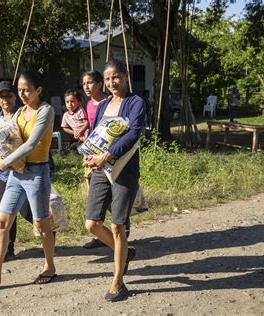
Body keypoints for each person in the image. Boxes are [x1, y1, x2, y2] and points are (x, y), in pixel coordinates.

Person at [0, 70, 56, 287]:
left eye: (27, 90)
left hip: (36, 173)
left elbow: (31, 143)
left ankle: (50, 266)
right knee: (2, 222)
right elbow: (2, 139)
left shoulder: (46, 111)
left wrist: (5, 162)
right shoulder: (18, 114)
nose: (23, 94)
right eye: (20, 90)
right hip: (16, 174)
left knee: (41, 225)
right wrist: (0, 157)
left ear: (39, 90)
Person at [83, 59, 145, 302]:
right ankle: (126, 252)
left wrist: (107, 155)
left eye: (116, 77)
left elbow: (133, 132)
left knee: (118, 226)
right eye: (108, 79)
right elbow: (97, 132)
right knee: (92, 224)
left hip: (124, 169)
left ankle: (118, 282)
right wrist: (89, 153)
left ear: (126, 76)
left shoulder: (135, 102)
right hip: (100, 169)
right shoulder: (104, 104)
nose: (112, 83)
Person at [0, 81, 33, 262]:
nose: (6, 100)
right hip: (3, 174)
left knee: (28, 211)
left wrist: (47, 166)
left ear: (16, 97)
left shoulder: (23, 116)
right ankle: (8, 249)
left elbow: (35, 142)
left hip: (25, 172)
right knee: (6, 213)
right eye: (2, 97)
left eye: (9, 96)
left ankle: (48, 233)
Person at [81, 70, 109, 249]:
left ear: (100, 84)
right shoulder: (89, 104)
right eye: (84, 84)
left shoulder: (110, 102)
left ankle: (121, 229)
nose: (86, 87)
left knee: (112, 193)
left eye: (90, 83)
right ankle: (101, 235)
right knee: (94, 191)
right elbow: (91, 126)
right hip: (91, 153)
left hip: (109, 154)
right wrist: (84, 134)